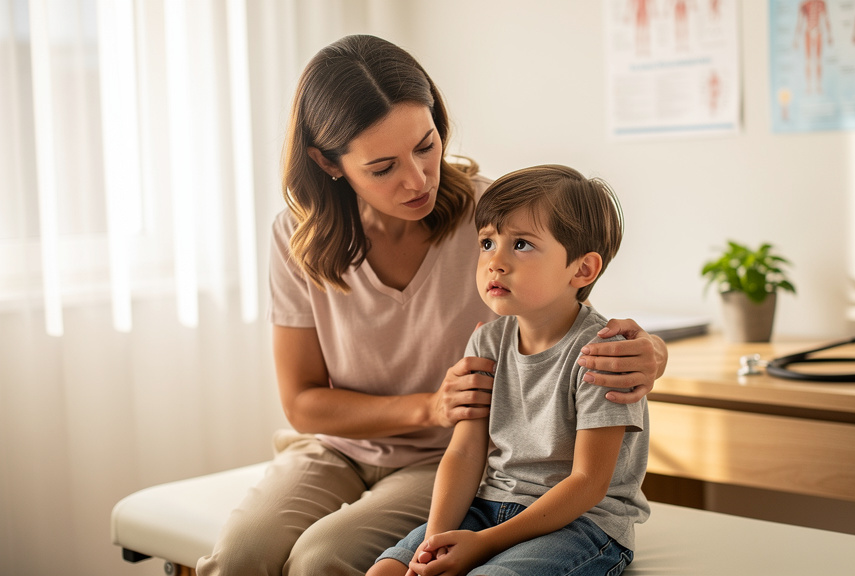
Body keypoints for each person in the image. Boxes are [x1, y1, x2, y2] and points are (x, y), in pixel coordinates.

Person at [195, 35, 667, 576]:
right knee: (240, 557)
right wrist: (428, 406)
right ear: (328, 163)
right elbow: (302, 402)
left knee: (318, 560)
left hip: (444, 460)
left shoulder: (494, 220)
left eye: (426, 145)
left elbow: (568, 320)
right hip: (336, 450)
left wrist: (651, 352)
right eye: (383, 167)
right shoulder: (295, 237)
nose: (418, 179)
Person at [367, 165, 649, 576]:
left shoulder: (603, 354)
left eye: (521, 244)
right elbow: (464, 452)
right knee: (386, 572)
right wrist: (435, 544)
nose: (495, 261)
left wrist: (483, 545)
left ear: (582, 270)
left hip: (581, 525)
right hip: (489, 506)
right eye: (487, 242)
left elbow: (589, 483)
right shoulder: (487, 342)